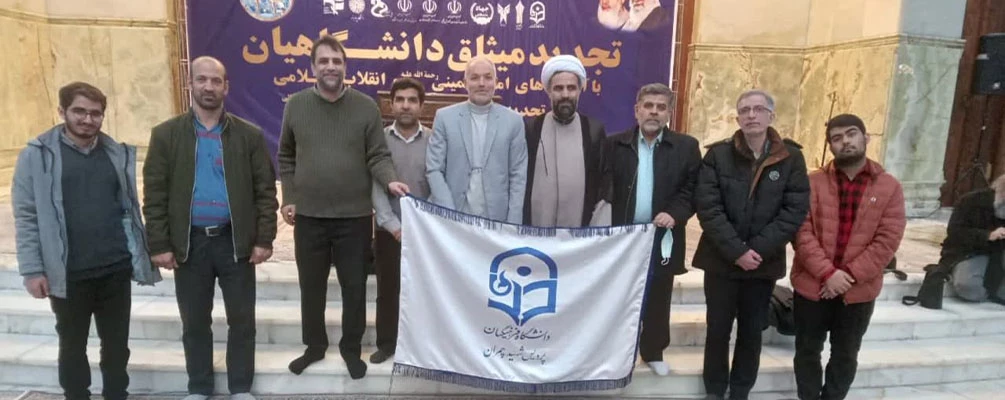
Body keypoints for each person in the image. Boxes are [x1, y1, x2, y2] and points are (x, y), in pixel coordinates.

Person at [12, 81, 161, 400]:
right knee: (72, 347)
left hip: (114, 268)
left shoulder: (114, 152)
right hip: (68, 272)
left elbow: (128, 207)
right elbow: (26, 216)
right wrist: (32, 270)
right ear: (62, 111)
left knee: (117, 346)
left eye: (95, 113)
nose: (87, 119)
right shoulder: (37, 156)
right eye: (79, 111)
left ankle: (117, 395)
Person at [143, 57, 279, 400]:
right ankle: (199, 387)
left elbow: (265, 191)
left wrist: (264, 238)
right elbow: (155, 195)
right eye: (201, 79)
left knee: (242, 320)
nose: (208, 86)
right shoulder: (166, 135)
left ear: (226, 87)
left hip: (234, 242)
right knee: (194, 322)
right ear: (190, 83)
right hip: (190, 245)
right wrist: (159, 243)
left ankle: (240, 387)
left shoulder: (248, 135)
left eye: (216, 81)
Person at [278, 35, 409, 379]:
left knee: (354, 288)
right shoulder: (296, 105)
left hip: (354, 218)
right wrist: (289, 197)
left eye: (336, 61)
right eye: (323, 61)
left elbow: (378, 155)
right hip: (309, 217)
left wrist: (390, 180)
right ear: (313, 67)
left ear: (345, 67)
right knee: (311, 287)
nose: (330, 67)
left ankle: (351, 349)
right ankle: (314, 346)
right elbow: (286, 155)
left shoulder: (365, 107)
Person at [693, 89, 810, 400]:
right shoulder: (717, 155)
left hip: (762, 263)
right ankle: (715, 390)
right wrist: (737, 251)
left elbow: (794, 210)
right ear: (737, 119)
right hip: (720, 261)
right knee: (717, 330)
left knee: (751, 332)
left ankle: (741, 391)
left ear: (771, 116)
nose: (751, 115)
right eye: (745, 110)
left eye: (758, 109)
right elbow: (708, 207)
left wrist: (756, 250)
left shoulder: (791, 158)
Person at [791, 114, 906, 400]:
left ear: (866, 138)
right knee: (807, 350)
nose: (845, 142)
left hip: (858, 291)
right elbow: (801, 232)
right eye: (837, 138)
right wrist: (828, 274)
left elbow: (888, 239)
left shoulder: (889, 187)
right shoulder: (812, 183)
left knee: (845, 354)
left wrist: (848, 276)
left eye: (851, 134)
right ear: (830, 146)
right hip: (813, 284)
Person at [605, 83, 701, 376]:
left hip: (663, 236)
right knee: (619, 295)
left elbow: (693, 188)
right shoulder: (614, 144)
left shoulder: (686, 147)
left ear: (669, 113)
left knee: (658, 295)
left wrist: (675, 213)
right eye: (648, 106)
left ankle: (653, 350)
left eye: (661, 107)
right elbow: (604, 186)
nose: (654, 112)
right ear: (637, 110)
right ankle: (617, 351)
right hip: (623, 238)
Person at [369, 77, 431, 364]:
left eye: (412, 100)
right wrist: (393, 226)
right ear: (391, 104)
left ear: (421, 106)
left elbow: (437, 182)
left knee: (423, 290)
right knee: (388, 289)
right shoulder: (379, 139)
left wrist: (425, 225)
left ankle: (420, 346)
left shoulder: (434, 139)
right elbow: (375, 186)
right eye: (400, 100)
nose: (406, 105)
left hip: (425, 233)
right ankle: (386, 343)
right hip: (388, 230)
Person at [426, 56, 528, 223]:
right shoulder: (445, 117)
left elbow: (518, 175)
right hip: (453, 215)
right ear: (465, 83)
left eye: (488, 77)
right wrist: (449, 214)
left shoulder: (513, 121)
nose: (482, 83)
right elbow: (434, 169)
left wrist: (513, 223)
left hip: (497, 219)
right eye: (474, 78)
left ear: (496, 82)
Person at [524, 55, 607, 227]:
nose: (565, 95)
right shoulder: (532, 128)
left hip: (578, 231)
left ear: (580, 90)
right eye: (558, 88)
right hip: (537, 229)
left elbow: (601, 184)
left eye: (571, 88)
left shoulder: (593, 130)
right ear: (548, 91)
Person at [940, 173, 1005, 302]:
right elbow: (955, 232)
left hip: (1000, 253)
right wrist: (988, 235)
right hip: (971, 251)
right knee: (968, 286)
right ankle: (989, 293)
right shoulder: (971, 201)